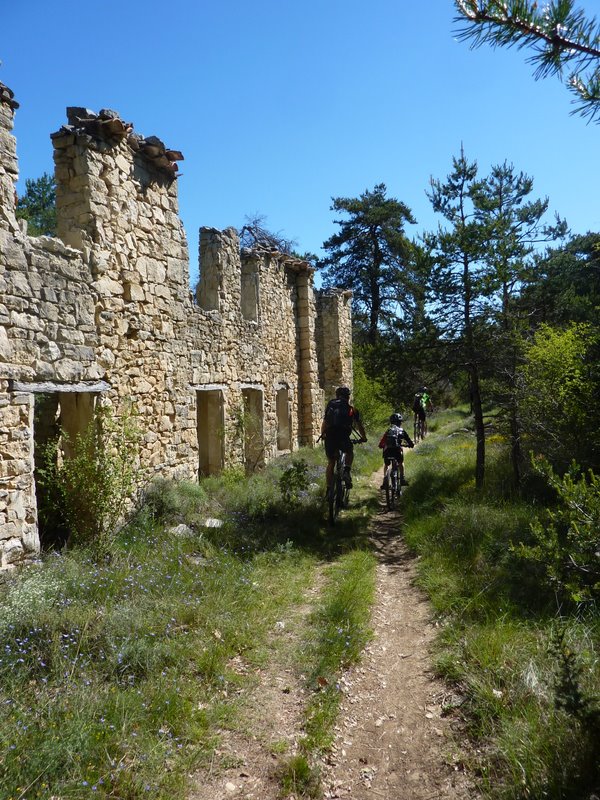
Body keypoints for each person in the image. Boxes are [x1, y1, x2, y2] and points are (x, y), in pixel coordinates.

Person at [321, 386, 367, 491]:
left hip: (330, 436)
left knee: (331, 462)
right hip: (343, 436)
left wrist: (323, 435)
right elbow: (359, 425)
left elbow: (325, 422)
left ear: (337, 396)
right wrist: (363, 438)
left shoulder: (330, 405)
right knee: (349, 452)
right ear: (348, 397)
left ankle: (329, 490)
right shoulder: (352, 409)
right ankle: (346, 470)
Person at [378, 413, 414, 488]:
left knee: (387, 465)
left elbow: (381, 443)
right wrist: (410, 445)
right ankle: (402, 479)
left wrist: (381, 446)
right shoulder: (402, 431)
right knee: (401, 463)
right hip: (397, 451)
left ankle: (385, 480)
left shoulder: (388, 431)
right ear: (400, 422)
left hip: (387, 452)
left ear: (391, 422)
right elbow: (409, 441)